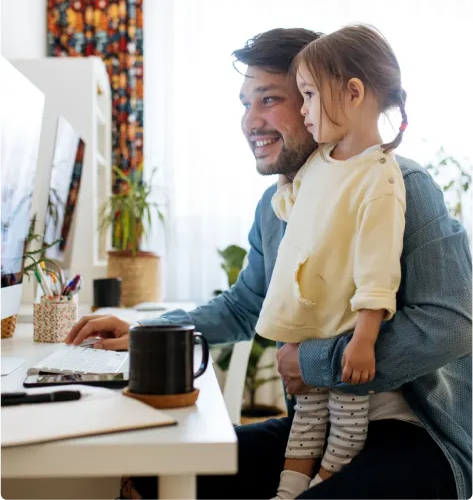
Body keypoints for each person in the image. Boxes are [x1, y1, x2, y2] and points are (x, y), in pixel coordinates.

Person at [66, 28, 473, 500]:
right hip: (319, 427)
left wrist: (318, 364)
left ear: (323, 99)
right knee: (149, 476)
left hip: (414, 436)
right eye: (245, 103)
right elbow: (245, 306)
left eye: (271, 99)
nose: (251, 121)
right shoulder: (275, 205)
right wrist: (147, 335)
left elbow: (451, 324)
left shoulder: (400, 184)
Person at [256, 25, 407, 500]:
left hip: (342, 336)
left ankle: (323, 482)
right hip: (309, 327)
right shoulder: (320, 162)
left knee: (345, 425)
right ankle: (290, 488)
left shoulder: (382, 179)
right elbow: (298, 212)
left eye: (306, 96)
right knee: (305, 420)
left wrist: (362, 341)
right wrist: (284, 184)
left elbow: (377, 272)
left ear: (353, 93)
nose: (302, 111)